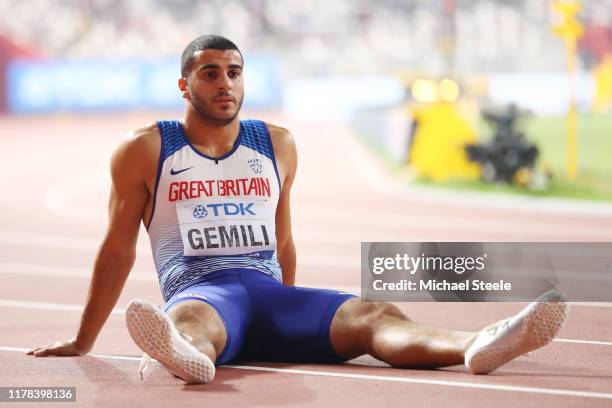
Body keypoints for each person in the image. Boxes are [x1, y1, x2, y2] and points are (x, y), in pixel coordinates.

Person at [26, 35, 569, 383]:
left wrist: (289, 303)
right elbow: (117, 247)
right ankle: (185, 352)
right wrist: (83, 339)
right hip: (202, 292)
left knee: (375, 313)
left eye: (234, 72)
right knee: (188, 318)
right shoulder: (146, 148)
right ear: (184, 85)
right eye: (210, 73)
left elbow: (283, 241)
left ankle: (476, 344)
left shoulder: (276, 144)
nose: (225, 84)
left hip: (271, 295)